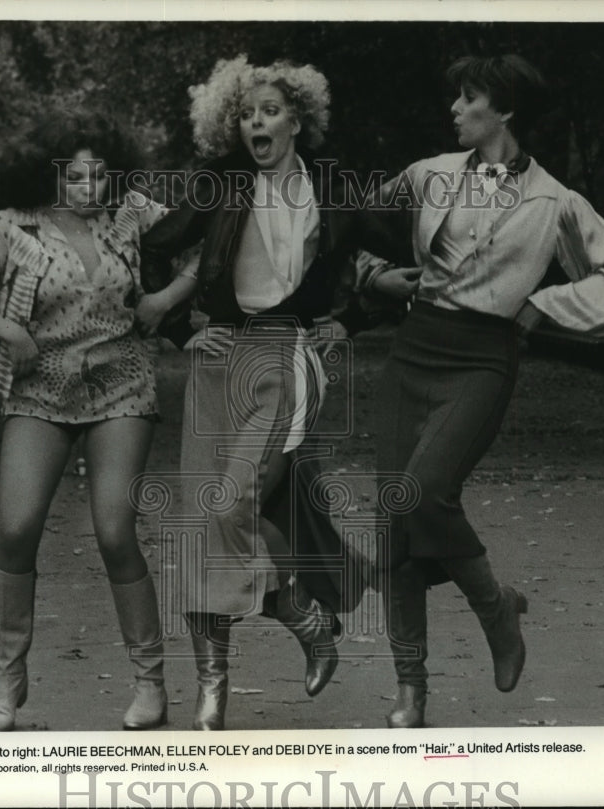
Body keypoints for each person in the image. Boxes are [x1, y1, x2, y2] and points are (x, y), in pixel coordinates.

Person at [360, 54, 604, 728]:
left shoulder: (555, 201)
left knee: (425, 491)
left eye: (469, 97)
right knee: (397, 518)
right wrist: (374, 277)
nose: (455, 109)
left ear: (505, 110)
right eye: (456, 97)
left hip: (482, 360)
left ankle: (496, 608)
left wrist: (543, 304)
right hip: (412, 352)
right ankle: (410, 691)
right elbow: (356, 228)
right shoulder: (427, 174)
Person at [138, 55, 406, 731]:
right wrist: (178, 328)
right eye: (247, 112)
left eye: (270, 110)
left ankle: (304, 615)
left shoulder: (334, 188)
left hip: (284, 357)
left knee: (232, 502)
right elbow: (154, 244)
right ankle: (213, 685)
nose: (256, 121)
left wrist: (354, 318)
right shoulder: (221, 183)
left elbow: (398, 255)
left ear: (298, 121)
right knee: (206, 525)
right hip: (217, 357)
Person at [0, 112, 193, 732]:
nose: (88, 184)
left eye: (99, 173)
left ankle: (150, 682)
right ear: (46, 171)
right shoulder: (8, 226)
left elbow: (204, 246)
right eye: (74, 173)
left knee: (113, 531)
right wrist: (5, 329)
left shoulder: (132, 215)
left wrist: (164, 299)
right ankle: (7, 677)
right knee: (17, 527)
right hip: (37, 391)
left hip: (120, 383)